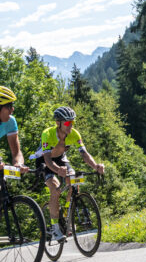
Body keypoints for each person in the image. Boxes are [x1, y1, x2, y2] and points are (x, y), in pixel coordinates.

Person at [32, 106, 104, 242]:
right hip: (44, 161)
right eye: (67, 122)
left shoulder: (74, 134)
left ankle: (66, 214)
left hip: (61, 159)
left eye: (72, 122)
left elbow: (84, 154)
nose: (70, 125)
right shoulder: (47, 134)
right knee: (55, 188)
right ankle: (54, 228)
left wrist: (96, 166)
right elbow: (47, 159)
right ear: (58, 123)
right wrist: (57, 169)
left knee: (74, 179)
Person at [0, 86, 28, 172]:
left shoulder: (10, 121)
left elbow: (16, 152)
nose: (12, 109)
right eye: (9, 106)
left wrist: (19, 163)